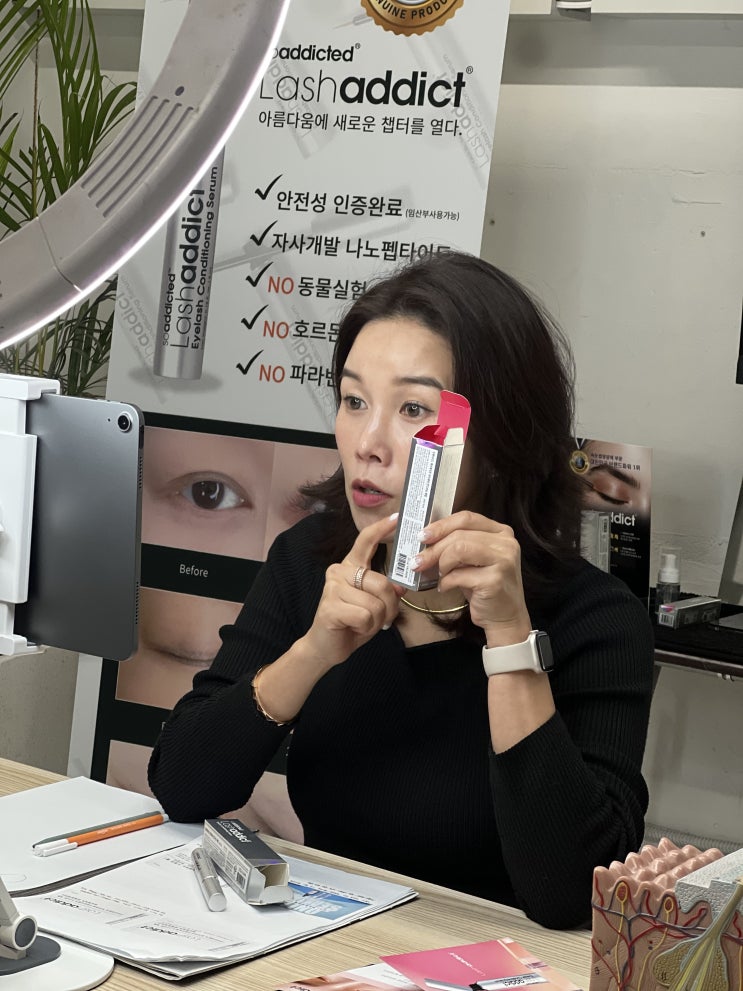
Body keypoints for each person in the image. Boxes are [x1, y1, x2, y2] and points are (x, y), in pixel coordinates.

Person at [148, 251, 655, 930]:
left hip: (496, 956)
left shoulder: (597, 620)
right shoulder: (311, 559)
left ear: (501, 437)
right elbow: (182, 786)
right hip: (323, 940)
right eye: (353, 401)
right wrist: (314, 651)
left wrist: (510, 639)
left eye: (413, 409)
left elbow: (569, 894)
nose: (368, 442)